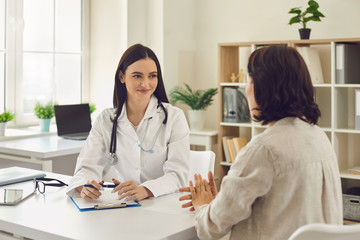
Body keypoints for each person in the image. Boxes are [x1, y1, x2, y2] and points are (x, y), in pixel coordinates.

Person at [179, 45, 343, 240]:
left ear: (263, 87)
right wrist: (221, 203)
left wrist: (203, 206)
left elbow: (210, 229)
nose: (245, 89)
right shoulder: (319, 136)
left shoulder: (263, 149)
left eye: (248, 80)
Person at [66, 44, 190, 201]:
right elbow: (87, 166)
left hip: (164, 203)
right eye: (137, 76)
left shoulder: (174, 117)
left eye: (152, 76)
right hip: (126, 204)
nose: (146, 84)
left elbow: (178, 174)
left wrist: (145, 190)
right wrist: (85, 185)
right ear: (122, 77)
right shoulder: (106, 120)